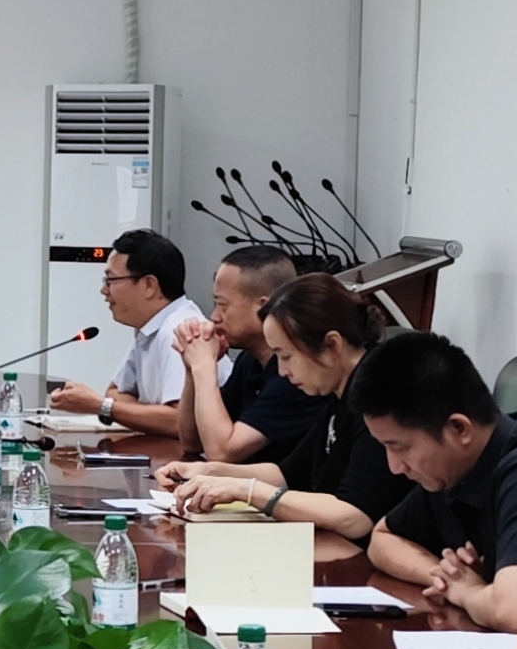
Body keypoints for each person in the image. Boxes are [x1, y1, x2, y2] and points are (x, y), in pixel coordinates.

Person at [351, 329, 517, 632]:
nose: (395, 467)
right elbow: (382, 539)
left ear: (459, 429)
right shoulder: (450, 468)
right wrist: (447, 576)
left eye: (400, 447)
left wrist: (466, 592)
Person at [157, 273, 411, 543]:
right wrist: (211, 472)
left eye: (286, 356)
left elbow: (354, 515)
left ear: (331, 345)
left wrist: (247, 491)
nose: (282, 371)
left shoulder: (378, 395)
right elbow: (287, 474)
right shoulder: (338, 393)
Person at [48, 229, 216, 437]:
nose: (104, 291)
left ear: (149, 285)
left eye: (111, 280)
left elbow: (179, 422)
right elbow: (115, 393)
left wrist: (102, 406)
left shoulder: (181, 330)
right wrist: (148, 413)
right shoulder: (149, 327)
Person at [172, 243, 328, 467]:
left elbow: (222, 452)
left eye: (223, 305)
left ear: (263, 307)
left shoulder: (297, 372)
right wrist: (191, 368)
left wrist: (204, 366)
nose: (214, 317)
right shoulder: (250, 360)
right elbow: (191, 442)